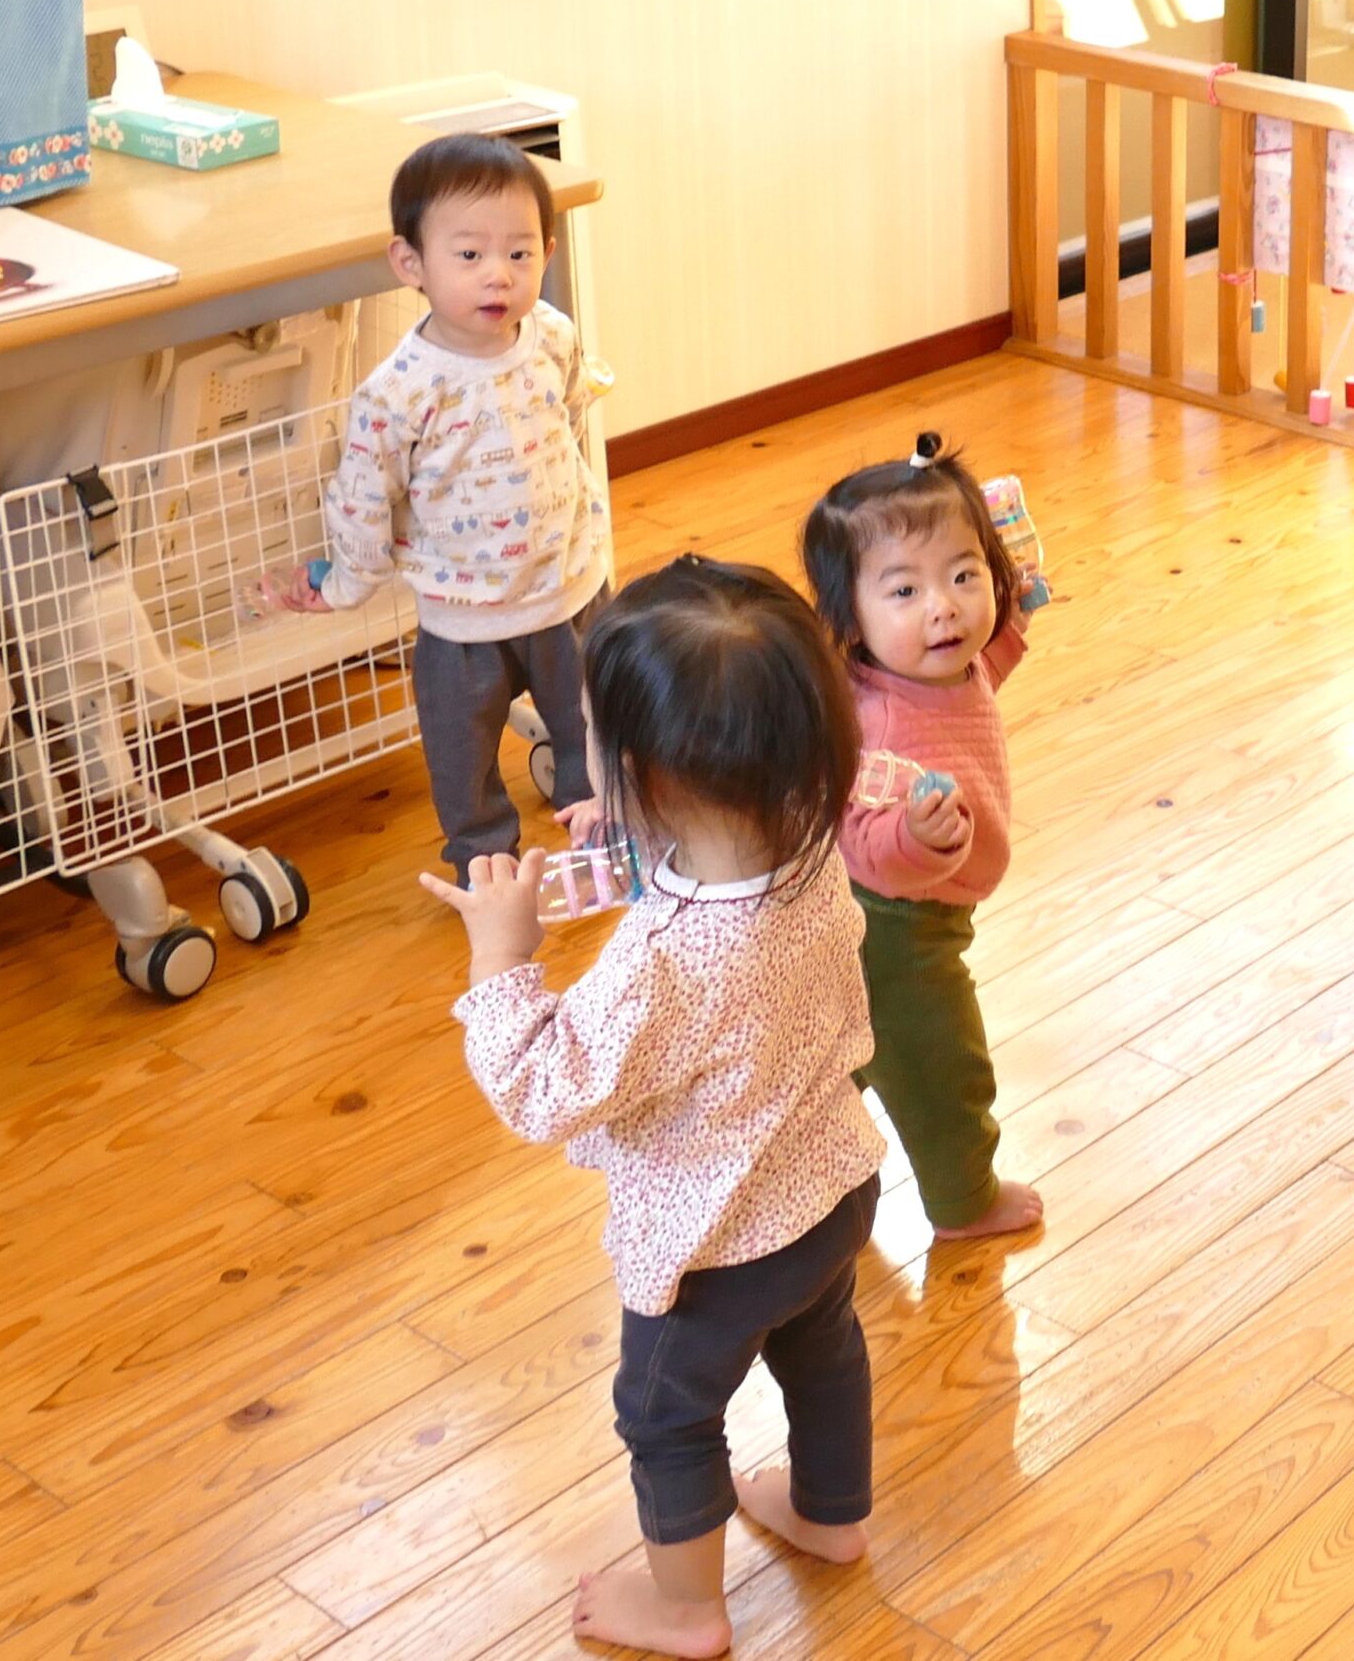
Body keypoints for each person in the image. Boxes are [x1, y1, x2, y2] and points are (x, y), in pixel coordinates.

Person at [424, 556, 883, 1659]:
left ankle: (687, 1611)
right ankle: (831, 1515)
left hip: (712, 1252)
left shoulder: (661, 966)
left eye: (591, 735)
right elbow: (715, 861)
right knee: (822, 1348)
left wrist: (502, 961)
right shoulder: (810, 846)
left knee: (666, 1415)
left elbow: (544, 1087)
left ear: (641, 774)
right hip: (831, 1192)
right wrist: (640, 834)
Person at [279, 133, 617, 867]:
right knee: (463, 759)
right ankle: (485, 860)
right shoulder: (397, 394)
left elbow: (568, 416)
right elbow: (362, 501)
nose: (498, 275)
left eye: (519, 253)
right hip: (462, 619)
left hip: (569, 588)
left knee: (596, 728)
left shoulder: (552, 336)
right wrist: (346, 584)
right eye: (469, 255)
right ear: (412, 264)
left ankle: (600, 831)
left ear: (547, 253)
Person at [799, 433, 1046, 1242]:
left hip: (908, 917)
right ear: (850, 618)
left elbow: (983, 668)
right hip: (896, 928)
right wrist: (913, 834)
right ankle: (965, 1201)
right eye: (904, 589)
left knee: (858, 1050)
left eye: (964, 576)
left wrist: (1012, 620)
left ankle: (802, 1161)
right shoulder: (878, 725)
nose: (945, 607)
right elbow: (866, 840)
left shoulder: (939, 664)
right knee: (942, 1064)